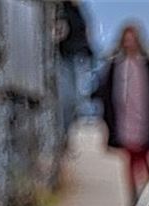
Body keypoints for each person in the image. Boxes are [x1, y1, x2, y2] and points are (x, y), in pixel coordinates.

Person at [93, 24, 149, 202]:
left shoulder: (146, 65)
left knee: (143, 157)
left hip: (144, 120)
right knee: (132, 158)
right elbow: (107, 94)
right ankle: (139, 198)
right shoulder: (116, 66)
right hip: (125, 121)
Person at [55, 1, 95, 146]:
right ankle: (62, 134)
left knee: (77, 101)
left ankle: (65, 133)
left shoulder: (78, 10)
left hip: (78, 59)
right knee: (68, 99)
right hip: (64, 59)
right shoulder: (60, 9)